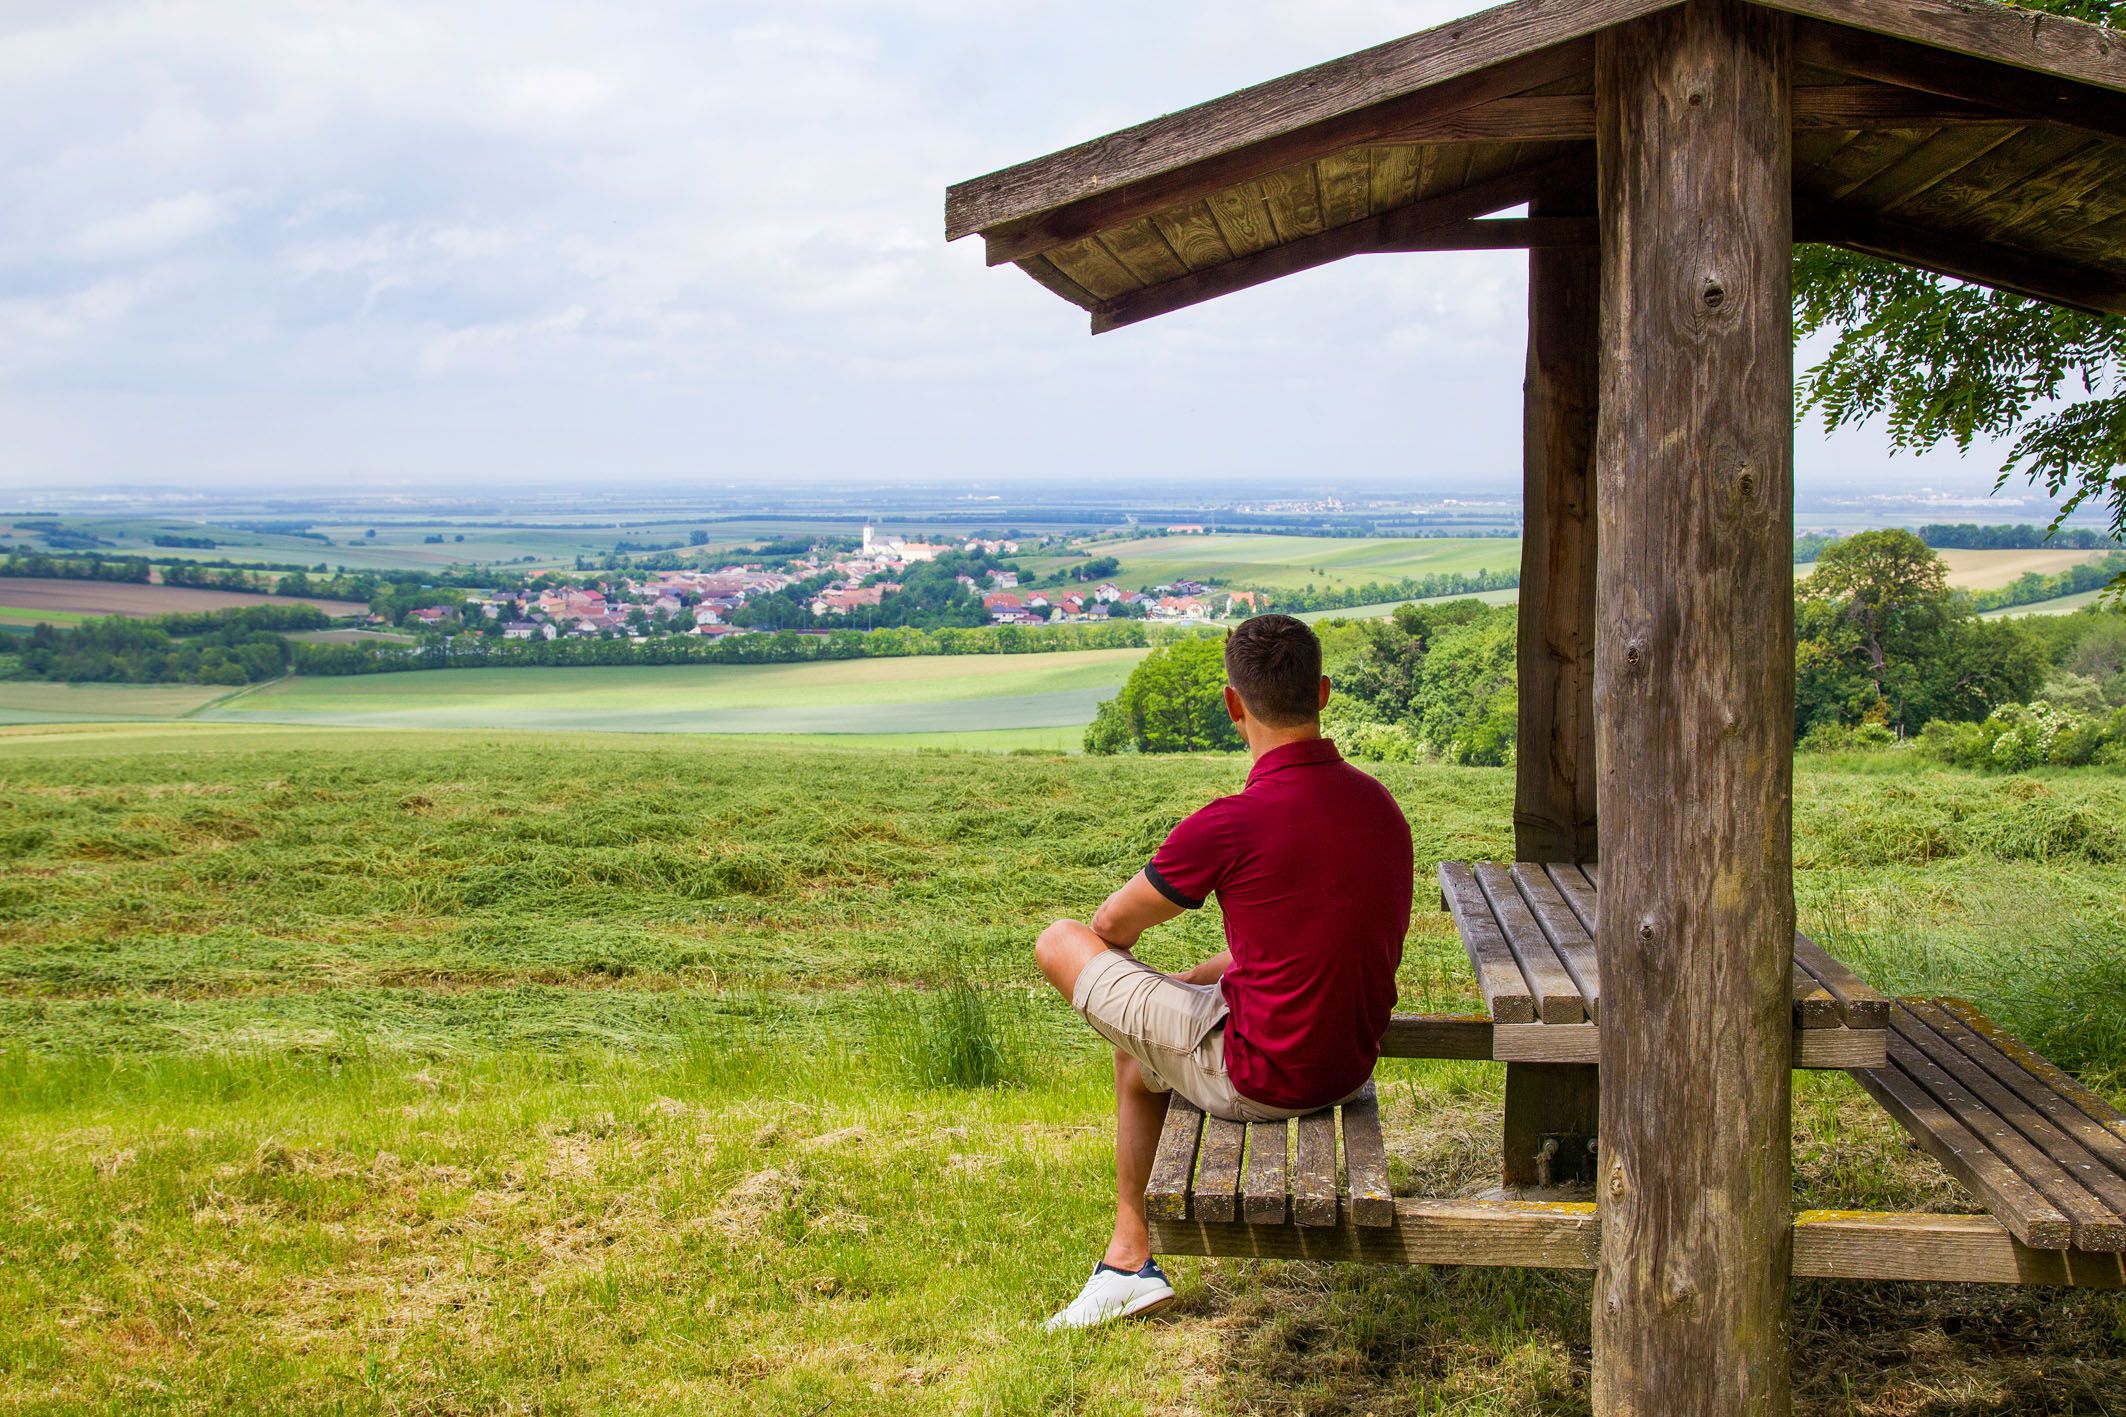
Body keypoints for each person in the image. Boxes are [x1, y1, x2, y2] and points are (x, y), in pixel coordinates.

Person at [1032, 614, 1414, 1331]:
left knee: (1059, 940)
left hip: (1266, 1077)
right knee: (1148, 1029)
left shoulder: (1231, 822)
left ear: (1234, 705)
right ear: (1322, 693)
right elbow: (1299, 947)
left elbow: (1106, 930)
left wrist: (1151, 983)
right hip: (1347, 1060)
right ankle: (1127, 1254)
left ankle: (1128, 1263)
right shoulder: (1380, 807)